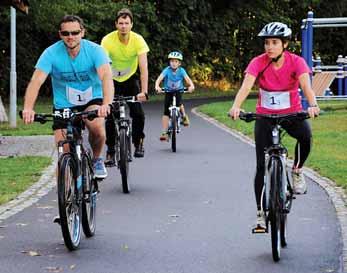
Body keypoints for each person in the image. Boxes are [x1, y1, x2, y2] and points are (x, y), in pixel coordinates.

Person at [228, 22, 320, 231]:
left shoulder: (297, 62)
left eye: (274, 42)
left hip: (291, 114)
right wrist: (236, 106)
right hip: (265, 116)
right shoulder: (258, 62)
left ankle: (296, 170)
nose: (269, 47)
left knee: (305, 136)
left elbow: (306, 86)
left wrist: (313, 105)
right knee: (261, 165)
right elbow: (246, 86)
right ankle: (260, 214)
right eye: (267, 43)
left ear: (284, 44)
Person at [22, 15, 114, 180]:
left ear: (82, 32)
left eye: (74, 32)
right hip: (64, 103)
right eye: (65, 33)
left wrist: (106, 104)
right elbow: (36, 81)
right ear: (60, 34)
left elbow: (106, 76)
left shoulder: (95, 51)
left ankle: (97, 159)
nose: (70, 37)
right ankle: (66, 197)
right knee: (63, 150)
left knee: (97, 126)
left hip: (92, 99)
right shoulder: (51, 53)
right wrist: (28, 108)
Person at [101, 8, 149, 165]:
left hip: (130, 80)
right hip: (111, 80)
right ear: (116, 24)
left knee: (138, 114)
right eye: (120, 23)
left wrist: (144, 91)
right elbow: (102, 66)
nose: (123, 26)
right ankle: (110, 150)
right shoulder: (107, 40)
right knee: (109, 115)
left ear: (131, 25)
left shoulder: (138, 40)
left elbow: (143, 68)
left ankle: (138, 142)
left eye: (126, 23)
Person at [155, 51, 195, 141]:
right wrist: (157, 86)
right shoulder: (167, 70)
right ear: (170, 62)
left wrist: (191, 86)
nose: (174, 63)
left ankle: (184, 116)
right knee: (166, 111)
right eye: (172, 61)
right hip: (168, 91)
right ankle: (164, 132)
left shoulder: (181, 71)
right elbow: (159, 79)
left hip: (178, 91)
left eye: (176, 61)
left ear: (179, 63)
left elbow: (188, 80)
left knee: (179, 103)